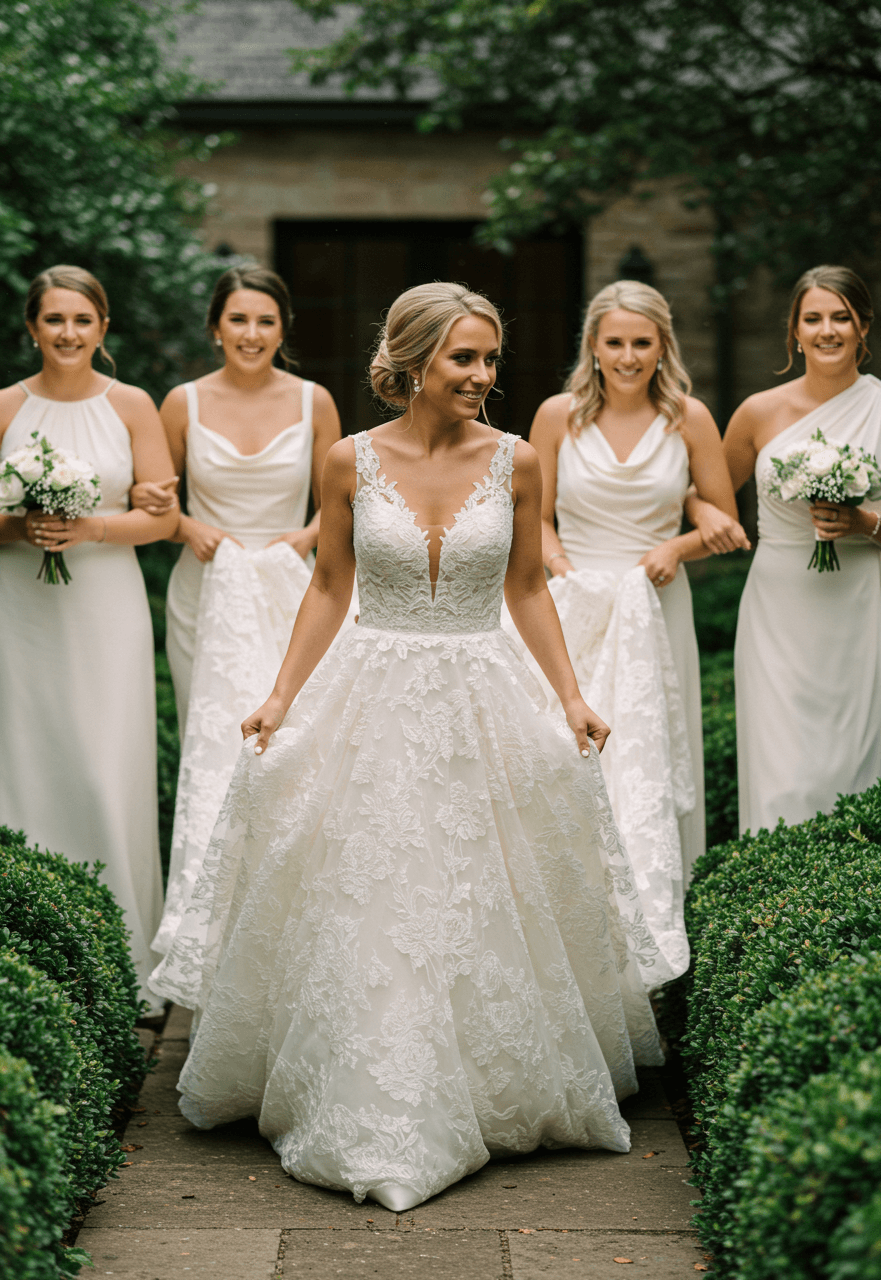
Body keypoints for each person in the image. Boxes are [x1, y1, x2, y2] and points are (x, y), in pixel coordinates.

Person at [150, 282, 665, 1212]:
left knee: (477, 884)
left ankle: (480, 1082)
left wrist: (573, 697)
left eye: (491, 359)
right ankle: (369, 1095)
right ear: (415, 361)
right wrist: (278, 696)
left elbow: (527, 591)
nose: (482, 376)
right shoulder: (347, 461)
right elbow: (330, 586)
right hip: (370, 694)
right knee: (374, 888)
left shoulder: (517, 463)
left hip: (483, 694)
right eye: (464, 358)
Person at [522, 280, 746, 975]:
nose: (627, 355)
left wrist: (674, 548)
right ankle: (561, 933)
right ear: (593, 345)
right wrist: (559, 566)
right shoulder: (557, 416)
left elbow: (727, 522)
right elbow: (532, 511)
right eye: (614, 342)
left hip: (653, 605)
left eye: (641, 342)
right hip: (571, 604)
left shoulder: (690, 419)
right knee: (564, 757)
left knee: (648, 763)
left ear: (662, 346)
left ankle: (647, 940)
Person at [129, 266, 342, 955]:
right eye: (239, 320)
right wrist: (188, 528)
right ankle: (211, 933)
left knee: (292, 751)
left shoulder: (316, 402)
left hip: (289, 595)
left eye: (266, 321)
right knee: (214, 747)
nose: (252, 334)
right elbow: (156, 502)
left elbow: (336, 507)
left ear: (283, 330)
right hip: (204, 594)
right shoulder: (181, 403)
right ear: (216, 327)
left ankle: (286, 930)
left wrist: (303, 539)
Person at [0, 264, 178, 1010]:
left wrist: (86, 524)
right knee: (23, 764)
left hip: (104, 604)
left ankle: (122, 970)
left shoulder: (132, 405)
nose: (68, 333)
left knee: (105, 769)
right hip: (20, 608)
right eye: (54, 319)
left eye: (82, 320)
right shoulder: (0, 406)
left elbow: (160, 515)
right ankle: (20, 964)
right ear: (31, 327)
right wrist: (23, 525)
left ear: (104, 329)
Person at [689, 265, 881, 834]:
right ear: (794, 332)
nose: (828, 331)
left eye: (841, 318)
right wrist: (704, 519)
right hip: (779, 603)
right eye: (813, 318)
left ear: (863, 327)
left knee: (858, 760)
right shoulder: (757, 412)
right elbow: (706, 499)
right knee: (784, 765)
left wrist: (863, 521)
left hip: (862, 602)